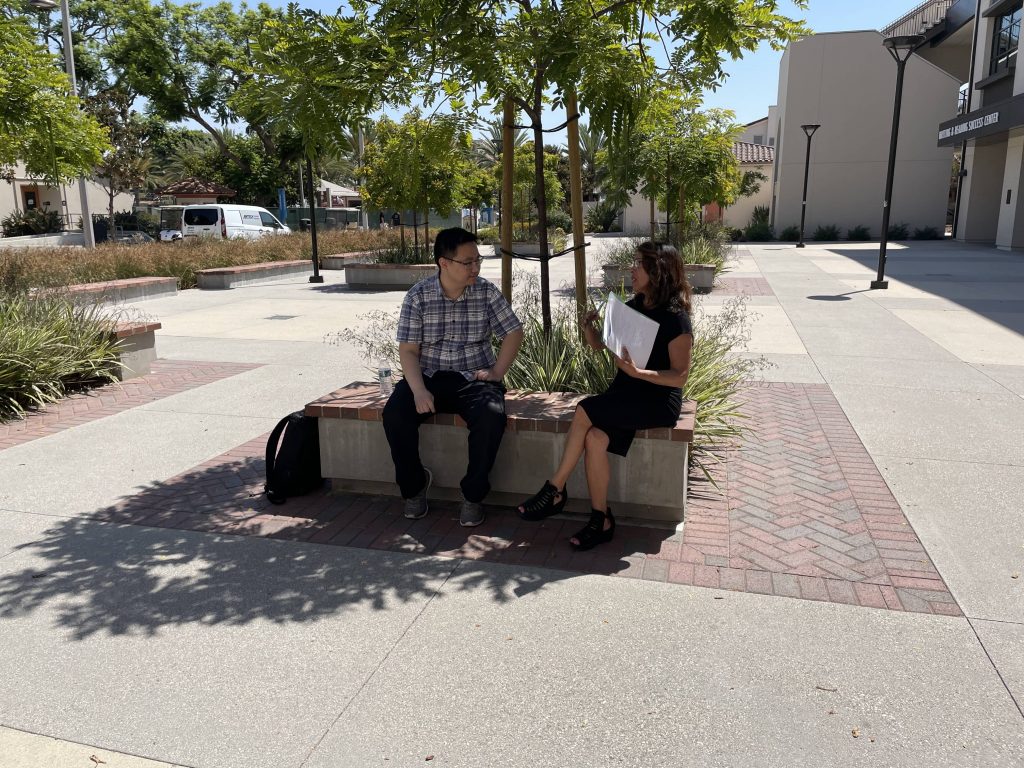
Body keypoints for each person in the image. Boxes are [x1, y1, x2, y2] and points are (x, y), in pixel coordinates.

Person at [516, 241, 694, 550]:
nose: (632, 268)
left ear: (659, 270)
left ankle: (555, 488)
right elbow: (604, 345)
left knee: (585, 409)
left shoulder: (676, 319)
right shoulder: (635, 305)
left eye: (638, 263)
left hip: (656, 401)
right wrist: (590, 331)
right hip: (627, 393)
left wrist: (639, 373)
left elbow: (679, 376)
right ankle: (602, 520)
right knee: (595, 439)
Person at [383, 227, 524, 527]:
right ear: (443, 263)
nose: (475, 268)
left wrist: (497, 372)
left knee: (491, 417)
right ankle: (413, 487)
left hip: (473, 377)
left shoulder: (486, 292)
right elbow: (408, 351)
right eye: (467, 262)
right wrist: (419, 391)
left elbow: (513, 331)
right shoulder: (418, 297)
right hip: (428, 375)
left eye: (478, 261)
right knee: (395, 414)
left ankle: (473, 496)